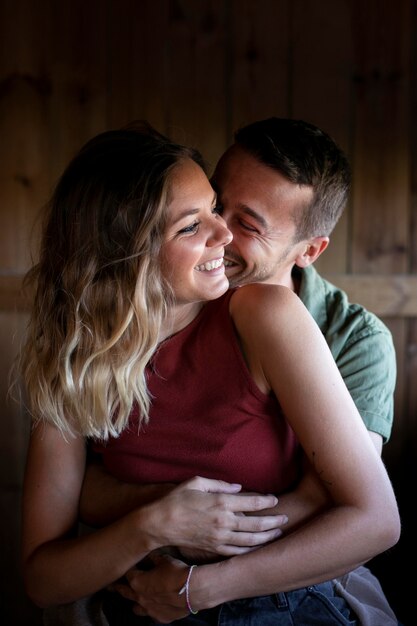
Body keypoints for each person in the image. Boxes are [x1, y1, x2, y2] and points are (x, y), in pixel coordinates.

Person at [18, 121, 400, 626]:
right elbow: (43, 578)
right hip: (137, 591)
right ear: (127, 254)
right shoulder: (76, 354)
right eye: (199, 219)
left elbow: (365, 514)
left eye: (247, 223)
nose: (223, 234)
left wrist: (199, 585)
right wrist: (155, 524)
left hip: (274, 599)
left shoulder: (277, 315)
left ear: (309, 250)